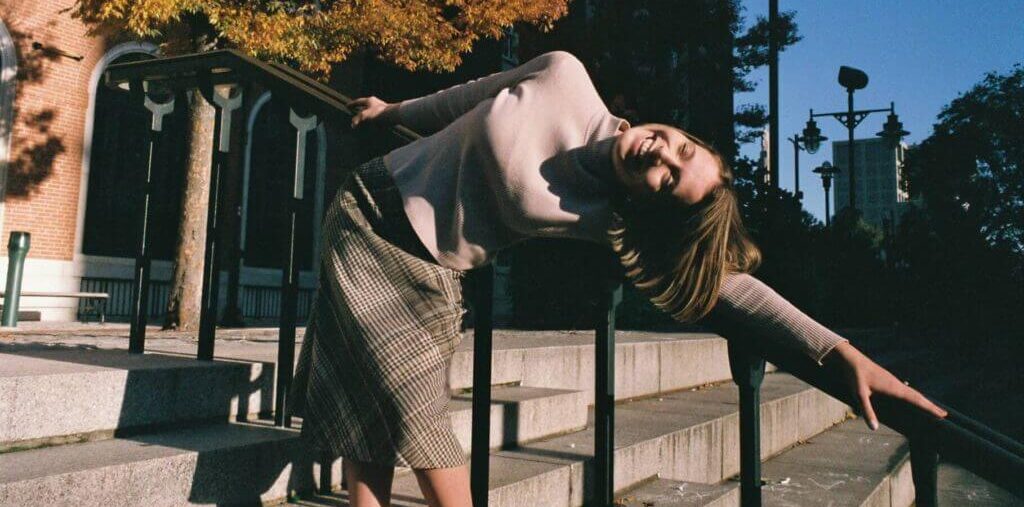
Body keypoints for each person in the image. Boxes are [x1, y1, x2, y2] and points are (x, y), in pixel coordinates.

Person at [290, 51, 947, 507]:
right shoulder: (565, 75)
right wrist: (393, 109)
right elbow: (474, 95)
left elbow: (729, 286)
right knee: (409, 411)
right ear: (678, 131)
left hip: (435, 274)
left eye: (669, 180)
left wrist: (842, 354)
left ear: (652, 203)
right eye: (680, 148)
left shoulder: (607, 216)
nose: (662, 156)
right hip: (370, 217)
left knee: (373, 410)